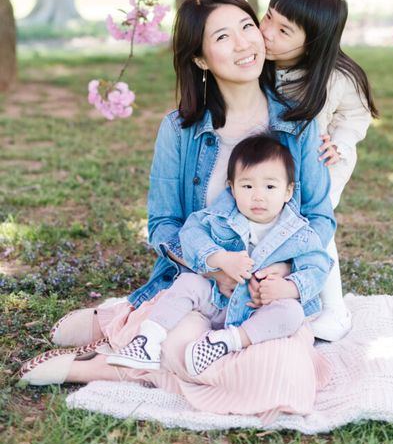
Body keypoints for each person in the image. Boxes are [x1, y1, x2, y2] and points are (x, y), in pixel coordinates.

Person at [20, 0, 334, 420]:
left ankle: (117, 348)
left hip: (265, 298)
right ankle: (115, 344)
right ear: (201, 59)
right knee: (180, 348)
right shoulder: (180, 130)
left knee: (283, 376)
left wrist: (284, 274)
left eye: (247, 26)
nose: (245, 43)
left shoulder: (299, 125)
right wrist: (212, 265)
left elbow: (318, 218)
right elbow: (164, 224)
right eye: (222, 37)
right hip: (199, 287)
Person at [106, 134, 331, 375]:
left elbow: (318, 266)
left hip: (260, 309)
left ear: (288, 192)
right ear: (232, 188)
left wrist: (290, 288)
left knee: (291, 314)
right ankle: (147, 341)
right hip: (218, 300)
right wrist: (219, 258)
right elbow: (191, 234)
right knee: (188, 282)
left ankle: (227, 341)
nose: (258, 195)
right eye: (247, 186)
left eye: (270, 186)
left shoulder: (299, 233)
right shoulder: (220, 219)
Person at [260, 0, 379, 341]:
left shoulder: (336, 77)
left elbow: (356, 116)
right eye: (267, 18)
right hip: (275, 165)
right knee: (274, 225)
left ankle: (334, 310)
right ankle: (282, 298)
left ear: (312, 43)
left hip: (322, 164)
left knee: (315, 229)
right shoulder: (262, 63)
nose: (267, 32)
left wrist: (340, 145)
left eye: (283, 30)